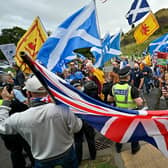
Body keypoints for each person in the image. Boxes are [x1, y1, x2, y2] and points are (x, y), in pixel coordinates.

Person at [0, 75, 82, 168]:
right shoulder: (64, 109)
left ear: (28, 93)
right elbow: (77, 128)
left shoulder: (19, 118)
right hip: (66, 151)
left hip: (42, 158)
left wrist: (6, 101)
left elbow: (2, 126)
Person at [107, 66, 143, 154]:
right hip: (131, 114)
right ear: (128, 77)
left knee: (120, 131)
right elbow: (139, 103)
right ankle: (134, 148)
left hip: (120, 113)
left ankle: (118, 148)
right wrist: (141, 100)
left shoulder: (114, 86)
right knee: (134, 131)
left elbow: (109, 99)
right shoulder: (132, 88)